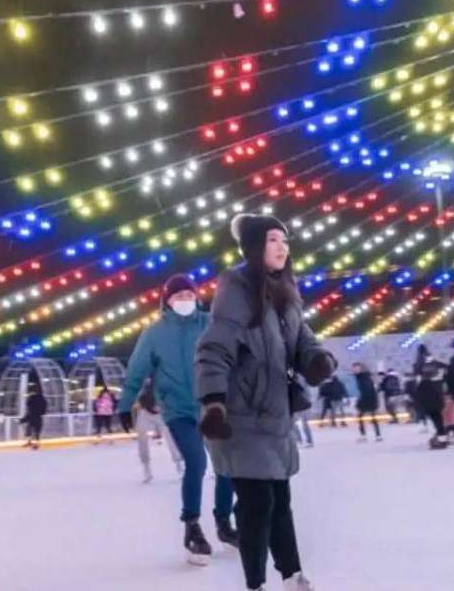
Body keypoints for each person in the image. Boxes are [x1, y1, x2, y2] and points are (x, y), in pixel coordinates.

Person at [197, 213, 336, 591]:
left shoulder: (286, 291)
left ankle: (291, 575)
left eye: (285, 241)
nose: (282, 247)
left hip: (275, 416)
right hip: (239, 417)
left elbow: (302, 337)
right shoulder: (237, 289)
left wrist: (317, 359)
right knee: (257, 504)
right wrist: (213, 403)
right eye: (273, 240)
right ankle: (255, 583)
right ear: (254, 247)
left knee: (279, 500)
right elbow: (214, 349)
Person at [118, 273, 237, 565]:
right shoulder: (154, 334)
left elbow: (234, 354)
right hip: (178, 411)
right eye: (179, 296)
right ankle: (192, 527)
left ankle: (224, 522)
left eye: (189, 295)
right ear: (167, 301)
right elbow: (136, 370)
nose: (185, 300)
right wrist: (125, 404)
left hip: (212, 406)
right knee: (196, 463)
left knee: (226, 464)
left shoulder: (211, 323)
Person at [133, 378, 182, 483]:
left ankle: (179, 465)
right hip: (146, 410)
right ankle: (147, 469)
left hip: (160, 411)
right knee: (142, 438)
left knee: (170, 437)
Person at [413, 346, 448, 446]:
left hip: (427, 396)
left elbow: (418, 382)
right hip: (438, 394)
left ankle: (441, 438)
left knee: (435, 418)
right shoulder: (438, 364)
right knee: (438, 417)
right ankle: (442, 437)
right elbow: (447, 370)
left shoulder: (419, 365)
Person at [353, 362, 382, 442]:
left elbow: (368, 389)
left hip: (368, 399)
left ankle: (368, 435)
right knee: (366, 417)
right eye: (354, 368)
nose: (355, 370)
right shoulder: (361, 377)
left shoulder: (363, 377)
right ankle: (376, 435)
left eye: (356, 368)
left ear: (361, 368)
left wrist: (361, 400)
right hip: (367, 398)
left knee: (368, 417)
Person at [21, 381, 48, 449]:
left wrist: (23, 420)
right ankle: (34, 443)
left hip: (34, 417)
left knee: (30, 430)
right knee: (35, 430)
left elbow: (30, 412)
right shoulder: (41, 399)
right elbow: (44, 409)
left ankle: (33, 443)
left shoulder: (32, 400)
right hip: (38, 417)